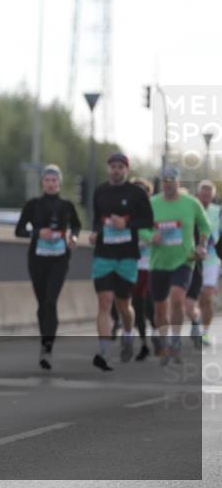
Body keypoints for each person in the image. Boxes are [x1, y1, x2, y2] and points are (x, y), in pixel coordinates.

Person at [87, 153, 153, 371]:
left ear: (127, 170)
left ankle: (127, 333)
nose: (116, 170)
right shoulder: (100, 192)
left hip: (127, 256)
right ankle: (104, 351)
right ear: (109, 169)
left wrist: (126, 222)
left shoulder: (136, 193)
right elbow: (97, 219)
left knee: (124, 305)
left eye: (120, 167)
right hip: (103, 254)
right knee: (104, 302)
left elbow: (148, 221)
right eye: (113, 166)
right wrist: (96, 232)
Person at [15, 165, 82, 370]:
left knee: (51, 301)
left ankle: (47, 348)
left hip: (60, 259)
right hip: (37, 259)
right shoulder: (33, 205)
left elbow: (76, 225)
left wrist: (74, 236)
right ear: (42, 183)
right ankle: (45, 340)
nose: (51, 183)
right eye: (47, 180)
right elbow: (18, 231)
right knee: (42, 303)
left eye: (54, 180)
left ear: (59, 183)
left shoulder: (67, 205)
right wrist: (37, 234)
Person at [143, 168, 211, 364]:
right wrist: (150, 236)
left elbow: (205, 226)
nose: (169, 184)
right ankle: (164, 344)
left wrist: (202, 245)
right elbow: (140, 227)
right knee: (160, 310)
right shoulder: (152, 203)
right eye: (165, 180)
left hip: (184, 260)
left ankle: (175, 340)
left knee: (177, 298)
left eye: (172, 180)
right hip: (158, 262)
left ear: (179, 182)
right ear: (161, 182)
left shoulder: (191, 203)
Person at [130, 177, 157, 361]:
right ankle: (143, 344)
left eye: (143, 192)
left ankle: (157, 332)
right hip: (133, 265)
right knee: (137, 305)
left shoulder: (157, 211)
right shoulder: (126, 214)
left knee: (151, 305)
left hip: (154, 264)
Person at [194, 180, 220, 346]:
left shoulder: (218, 212)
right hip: (190, 259)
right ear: (198, 194)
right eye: (203, 194)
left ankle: (204, 333)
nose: (206, 197)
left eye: (209, 195)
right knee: (195, 299)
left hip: (211, 260)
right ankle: (195, 322)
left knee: (208, 298)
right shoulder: (190, 208)